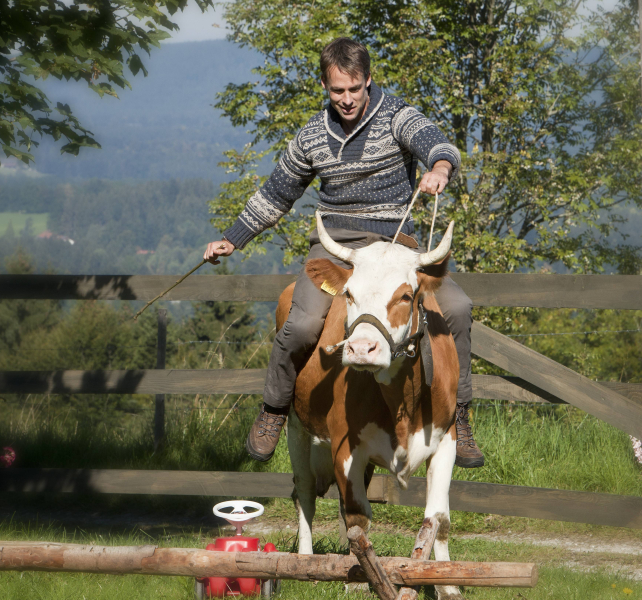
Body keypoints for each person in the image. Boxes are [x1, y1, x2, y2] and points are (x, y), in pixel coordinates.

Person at [204, 38, 484, 468]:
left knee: (459, 308)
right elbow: (277, 192)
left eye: (355, 88)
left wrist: (439, 168)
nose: (347, 99)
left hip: (396, 248)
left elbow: (437, 143)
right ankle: (274, 409)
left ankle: (459, 416)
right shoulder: (312, 135)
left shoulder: (396, 116)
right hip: (338, 248)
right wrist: (233, 238)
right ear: (324, 85)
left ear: (368, 81)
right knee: (299, 327)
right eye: (337, 90)